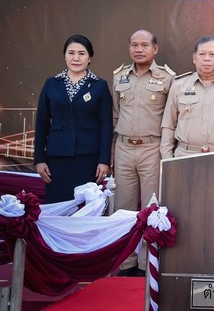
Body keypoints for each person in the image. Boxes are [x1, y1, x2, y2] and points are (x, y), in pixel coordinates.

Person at [112, 30, 175, 277]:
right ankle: (126, 263)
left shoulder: (168, 78)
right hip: (124, 147)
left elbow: (171, 118)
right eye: (134, 45)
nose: (139, 49)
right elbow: (116, 115)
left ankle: (146, 265)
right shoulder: (119, 76)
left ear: (155, 49)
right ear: (129, 48)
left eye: (144, 45)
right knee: (123, 209)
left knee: (152, 209)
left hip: (152, 147)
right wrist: (112, 153)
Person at [34, 35, 112, 203]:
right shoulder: (51, 83)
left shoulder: (100, 85)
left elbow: (106, 125)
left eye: (82, 53)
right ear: (65, 56)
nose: (76, 58)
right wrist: (39, 159)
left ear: (89, 57)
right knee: (58, 206)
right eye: (71, 53)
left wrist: (104, 160)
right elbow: (41, 123)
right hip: (56, 159)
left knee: (85, 209)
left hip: (88, 159)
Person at [161, 36, 214, 158]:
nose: (207, 58)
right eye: (202, 54)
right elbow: (168, 126)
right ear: (194, 58)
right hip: (185, 156)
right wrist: (167, 159)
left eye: (212, 54)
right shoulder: (179, 85)